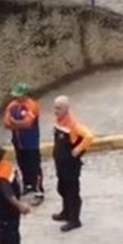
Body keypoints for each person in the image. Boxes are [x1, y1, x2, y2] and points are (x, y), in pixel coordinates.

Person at [50, 95, 94, 232]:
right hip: (61, 163)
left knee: (72, 191)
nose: (55, 111)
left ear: (66, 109)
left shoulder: (73, 125)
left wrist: (78, 149)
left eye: (58, 108)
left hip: (70, 165)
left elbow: (89, 136)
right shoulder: (59, 121)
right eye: (55, 108)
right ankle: (66, 212)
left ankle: (75, 219)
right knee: (62, 188)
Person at [4, 83, 45, 205]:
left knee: (34, 166)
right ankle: (27, 185)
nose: (16, 98)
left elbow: (28, 123)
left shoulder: (32, 106)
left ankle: (39, 191)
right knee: (22, 164)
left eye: (19, 95)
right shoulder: (12, 106)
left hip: (31, 141)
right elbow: (6, 123)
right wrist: (17, 124)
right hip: (18, 141)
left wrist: (14, 123)